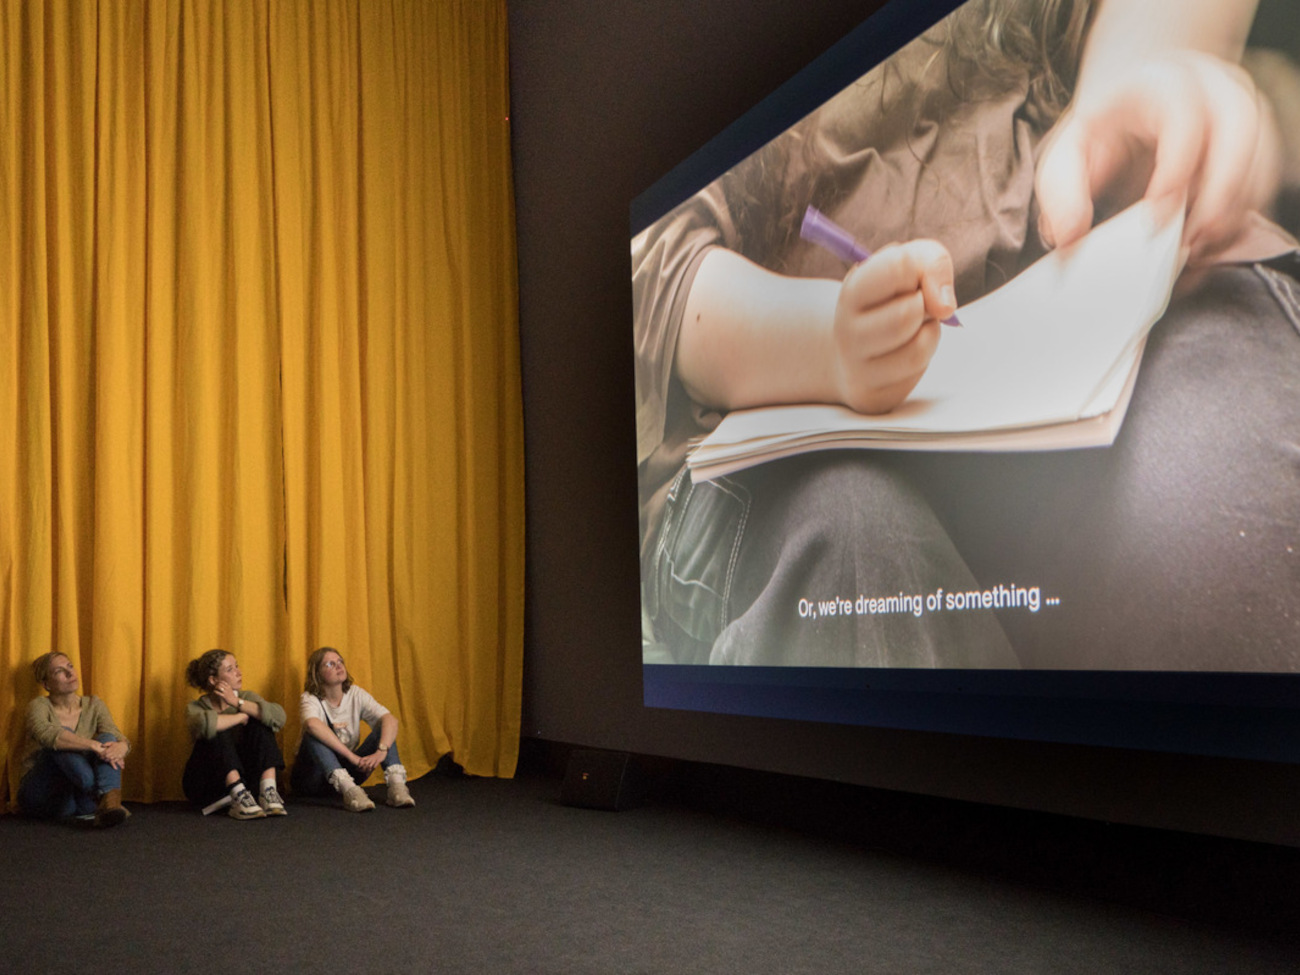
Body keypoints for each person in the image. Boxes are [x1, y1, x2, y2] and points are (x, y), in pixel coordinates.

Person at [633, 0, 1299, 669]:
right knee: (857, 550)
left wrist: (1137, 93)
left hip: (1090, 323)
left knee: (1222, 531)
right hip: (756, 435)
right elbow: (653, 269)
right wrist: (827, 347)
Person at [290, 646, 415, 811]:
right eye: (330, 664)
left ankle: (397, 788)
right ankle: (350, 791)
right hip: (313, 779)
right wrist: (352, 757)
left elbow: (390, 720)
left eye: (340, 661)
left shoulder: (356, 694)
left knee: (384, 730)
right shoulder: (310, 699)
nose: (338, 666)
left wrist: (381, 751)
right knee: (312, 733)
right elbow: (312, 724)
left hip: (350, 771)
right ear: (317, 673)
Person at [17, 652, 131, 828]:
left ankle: (110, 803)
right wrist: (92, 745)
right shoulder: (38, 706)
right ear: (46, 684)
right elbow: (47, 734)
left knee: (109, 738)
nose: (70, 674)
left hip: (76, 793)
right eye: (59, 671)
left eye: (70, 666)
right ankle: (104, 798)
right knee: (61, 738)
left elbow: (114, 733)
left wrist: (122, 747)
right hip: (41, 792)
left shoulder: (94, 704)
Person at [182, 649, 288, 820]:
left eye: (237, 667)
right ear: (213, 680)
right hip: (208, 784)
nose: (239, 673)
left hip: (248, 782)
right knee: (215, 727)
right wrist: (239, 717)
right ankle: (237, 793)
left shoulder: (246, 697)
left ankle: (269, 791)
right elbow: (205, 724)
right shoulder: (195, 707)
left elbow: (279, 717)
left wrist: (237, 702)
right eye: (230, 669)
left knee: (261, 720)